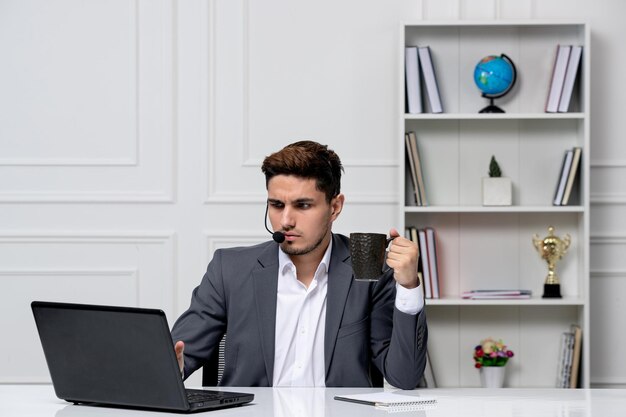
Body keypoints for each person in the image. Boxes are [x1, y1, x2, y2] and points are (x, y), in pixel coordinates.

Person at [171, 140, 427, 389]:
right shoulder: (229, 269)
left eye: (303, 205)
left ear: (335, 207)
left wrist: (408, 286)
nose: (286, 221)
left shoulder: (370, 269)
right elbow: (176, 357)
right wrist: (171, 366)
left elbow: (404, 377)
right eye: (276, 205)